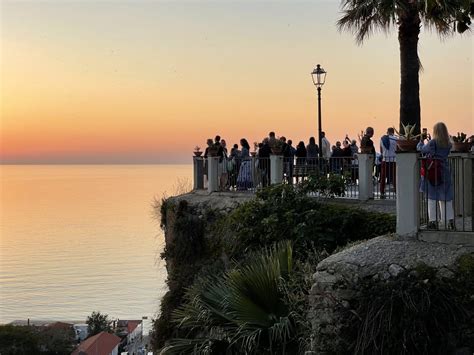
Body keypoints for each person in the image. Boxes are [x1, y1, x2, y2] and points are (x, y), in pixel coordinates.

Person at [419, 122, 454, 230]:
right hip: (445, 171)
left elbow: (421, 149)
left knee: (432, 197)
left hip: (433, 171)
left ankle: (433, 221)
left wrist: (421, 140)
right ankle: (449, 221)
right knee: (446, 198)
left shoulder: (433, 142)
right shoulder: (448, 143)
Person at [379, 127, 398, 199]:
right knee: (394, 177)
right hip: (393, 160)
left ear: (387, 132)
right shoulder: (395, 139)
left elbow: (381, 150)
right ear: (393, 132)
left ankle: (382, 192)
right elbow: (397, 149)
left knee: (383, 177)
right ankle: (396, 191)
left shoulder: (382, 139)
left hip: (385, 159)